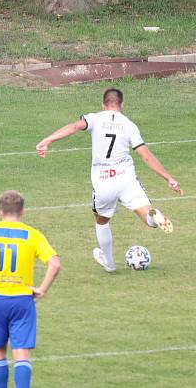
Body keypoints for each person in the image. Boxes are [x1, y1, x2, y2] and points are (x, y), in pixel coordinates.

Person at [36, 87, 183, 272]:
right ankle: (154, 217)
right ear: (122, 105)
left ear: (103, 104)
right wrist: (169, 178)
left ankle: (110, 264)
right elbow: (146, 156)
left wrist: (47, 141)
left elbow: (73, 127)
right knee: (145, 213)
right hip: (126, 178)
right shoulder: (129, 125)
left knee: (102, 221)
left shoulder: (94, 118)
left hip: (104, 181)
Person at [0, 191, 60, 388]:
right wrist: (42, 288)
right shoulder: (33, 235)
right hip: (22, 300)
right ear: (22, 211)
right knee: (21, 352)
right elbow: (55, 264)